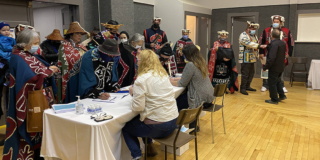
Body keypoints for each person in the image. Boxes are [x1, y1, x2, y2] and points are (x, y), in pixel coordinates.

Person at [3, 29, 58, 160]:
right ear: (25, 44)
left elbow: (35, 68)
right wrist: (47, 72)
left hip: (35, 99)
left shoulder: (26, 54)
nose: (37, 46)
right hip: (27, 102)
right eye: (35, 43)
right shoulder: (17, 57)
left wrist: (47, 71)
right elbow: (27, 77)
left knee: (37, 130)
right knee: (29, 129)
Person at [122, 49, 178, 160]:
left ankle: (137, 156)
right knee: (142, 119)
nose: (137, 62)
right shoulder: (163, 75)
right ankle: (149, 147)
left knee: (126, 128)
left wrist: (133, 94)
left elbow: (138, 107)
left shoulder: (141, 80)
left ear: (143, 62)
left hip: (159, 127)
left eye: (138, 60)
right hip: (173, 122)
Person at [170, 44, 214, 131]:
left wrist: (169, 81)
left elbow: (182, 83)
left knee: (175, 102)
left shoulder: (190, 65)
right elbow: (190, 77)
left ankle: (177, 127)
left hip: (199, 98)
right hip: (208, 96)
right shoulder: (201, 62)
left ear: (188, 55)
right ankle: (192, 124)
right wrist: (174, 79)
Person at [259, 15, 294, 93]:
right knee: (266, 68)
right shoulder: (266, 30)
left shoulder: (287, 31)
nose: (275, 23)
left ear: (281, 22)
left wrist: (289, 53)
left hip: (282, 55)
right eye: (274, 22)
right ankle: (265, 84)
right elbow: (261, 41)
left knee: (280, 69)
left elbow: (291, 43)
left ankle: (281, 85)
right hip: (267, 53)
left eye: (277, 22)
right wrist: (261, 52)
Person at [57, 22, 87, 103]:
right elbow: (64, 62)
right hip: (70, 77)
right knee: (72, 98)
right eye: (77, 33)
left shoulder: (81, 46)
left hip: (82, 76)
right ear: (71, 35)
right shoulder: (64, 46)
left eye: (80, 34)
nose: (80, 36)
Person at [239, 21, 267, 95]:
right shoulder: (243, 35)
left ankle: (248, 86)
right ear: (248, 28)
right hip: (245, 57)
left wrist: (258, 54)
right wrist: (259, 46)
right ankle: (243, 88)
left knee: (251, 73)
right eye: (252, 28)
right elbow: (247, 43)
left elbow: (256, 44)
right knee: (245, 73)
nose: (253, 29)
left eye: (254, 28)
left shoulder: (254, 36)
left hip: (252, 57)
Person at [0, 21, 16, 145]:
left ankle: (10, 132)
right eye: (3, 30)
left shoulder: (13, 40)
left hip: (11, 75)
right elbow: (6, 54)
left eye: (8, 30)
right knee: (5, 104)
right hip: (3, 76)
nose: (6, 32)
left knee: (10, 103)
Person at [263, 29, 287, 105]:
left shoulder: (274, 44)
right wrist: (268, 47)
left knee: (272, 83)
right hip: (281, 66)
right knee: (278, 81)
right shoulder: (282, 43)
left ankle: (274, 99)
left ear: (271, 35)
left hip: (274, 67)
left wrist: (265, 67)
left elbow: (272, 57)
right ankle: (282, 95)